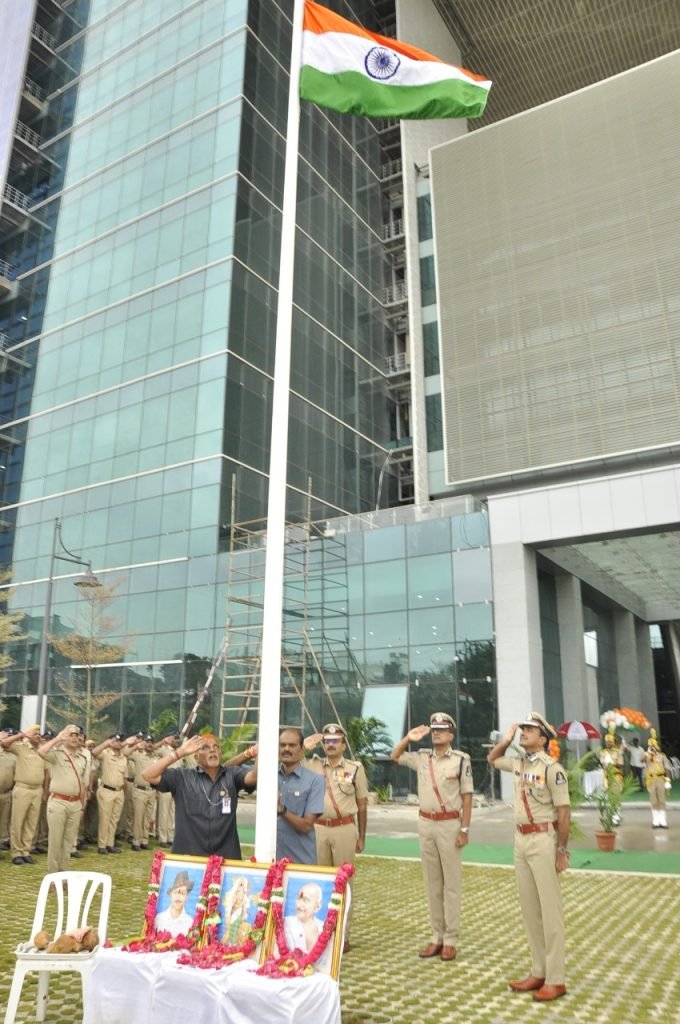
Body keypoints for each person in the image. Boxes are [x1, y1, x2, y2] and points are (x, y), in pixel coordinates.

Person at [487, 712, 571, 1003]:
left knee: (550, 912)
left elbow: (564, 812)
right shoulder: (519, 762)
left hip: (544, 839)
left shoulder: (552, 768)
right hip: (520, 839)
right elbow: (493, 759)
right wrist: (506, 739)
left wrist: (561, 851)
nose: (523, 732)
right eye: (522, 729)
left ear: (543, 738)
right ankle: (538, 970)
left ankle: (556, 979)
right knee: (530, 911)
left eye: (529, 729)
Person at [391, 712, 473, 963]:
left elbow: (467, 796)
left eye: (441, 729)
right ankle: (436, 936)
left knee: (451, 885)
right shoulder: (422, 757)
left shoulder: (460, 760)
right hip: (426, 823)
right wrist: (408, 737)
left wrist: (464, 830)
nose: (436, 732)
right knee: (432, 884)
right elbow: (395, 756)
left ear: (450, 734)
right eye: (434, 729)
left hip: (449, 824)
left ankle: (450, 940)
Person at [304, 722, 368, 951]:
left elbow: (362, 804)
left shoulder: (354, 768)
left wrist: (362, 836)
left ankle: (343, 934)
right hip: (319, 829)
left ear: (343, 743)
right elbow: (288, 762)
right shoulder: (312, 765)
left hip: (344, 830)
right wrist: (304, 746)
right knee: (321, 883)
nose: (330, 745)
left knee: (344, 884)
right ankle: (321, 933)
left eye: (335, 741)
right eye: (327, 741)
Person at [142, 732, 257, 858]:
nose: (212, 750)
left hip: (225, 859)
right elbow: (148, 775)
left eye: (216, 747)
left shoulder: (232, 775)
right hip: (189, 860)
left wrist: (259, 751)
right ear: (196, 757)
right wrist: (179, 752)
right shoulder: (182, 777)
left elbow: (254, 777)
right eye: (205, 748)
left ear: (220, 753)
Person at [37, 725, 88, 872]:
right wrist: (57, 739)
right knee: (55, 841)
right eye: (70, 735)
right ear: (64, 736)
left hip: (75, 804)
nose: (74, 738)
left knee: (68, 842)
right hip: (59, 802)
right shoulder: (57, 754)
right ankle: (52, 876)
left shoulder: (82, 758)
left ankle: (64, 874)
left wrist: (82, 804)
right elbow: (41, 751)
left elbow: (83, 784)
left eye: (76, 735)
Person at [276, 728, 324, 864]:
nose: (286, 749)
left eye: (292, 745)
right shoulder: (267, 776)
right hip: (271, 862)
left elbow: (306, 826)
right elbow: (227, 768)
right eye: (282, 745)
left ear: (302, 749)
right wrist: (249, 753)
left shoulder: (315, 781)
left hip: (300, 863)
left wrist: (281, 810)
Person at [2, 725, 46, 866]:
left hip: (37, 789)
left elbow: (47, 773)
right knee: (18, 821)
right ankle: (16, 852)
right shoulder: (21, 747)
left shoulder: (43, 750)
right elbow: (4, 743)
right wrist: (22, 734)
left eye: (39, 734)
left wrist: (45, 791)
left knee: (31, 822)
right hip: (22, 788)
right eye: (35, 733)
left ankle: (26, 851)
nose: (38, 736)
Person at [92, 733, 138, 854]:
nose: (119, 742)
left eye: (120, 741)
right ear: (111, 742)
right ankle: (102, 845)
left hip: (119, 791)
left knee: (114, 819)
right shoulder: (106, 754)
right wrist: (106, 743)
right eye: (116, 740)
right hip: (107, 790)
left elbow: (124, 777)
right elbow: (94, 752)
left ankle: (110, 844)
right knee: (105, 819)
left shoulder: (123, 757)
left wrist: (124, 792)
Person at [283, 882, 331, 972]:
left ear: (317, 907)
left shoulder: (324, 928)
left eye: (305, 900)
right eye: (298, 898)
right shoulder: (285, 924)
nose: (299, 904)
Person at [129, 734, 156, 851]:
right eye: (147, 742)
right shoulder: (138, 755)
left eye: (151, 742)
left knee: (147, 818)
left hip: (152, 790)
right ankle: (136, 841)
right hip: (140, 790)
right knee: (138, 817)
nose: (149, 744)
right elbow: (125, 753)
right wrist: (136, 746)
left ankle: (145, 840)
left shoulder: (155, 758)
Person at [153, 732, 180, 847]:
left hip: (176, 785)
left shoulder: (178, 751)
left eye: (178, 738)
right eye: (175, 738)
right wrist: (163, 741)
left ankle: (170, 837)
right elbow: (152, 750)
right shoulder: (164, 749)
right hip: (166, 784)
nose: (177, 740)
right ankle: (162, 838)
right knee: (163, 812)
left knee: (172, 813)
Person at [644, 730, 671, 829]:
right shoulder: (648, 756)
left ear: (657, 746)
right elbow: (641, 760)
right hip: (651, 780)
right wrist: (648, 752)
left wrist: (668, 780)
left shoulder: (662, 756)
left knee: (662, 800)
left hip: (660, 779)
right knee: (653, 800)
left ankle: (663, 821)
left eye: (654, 746)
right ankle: (655, 821)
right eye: (651, 746)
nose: (653, 748)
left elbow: (667, 768)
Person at [155, 869, 195, 937]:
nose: (178, 897)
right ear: (170, 894)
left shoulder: (190, 923)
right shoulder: (159, 919)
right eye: (176, 892)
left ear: (186, 897)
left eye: (182, 893)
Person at [222, 876, 253, 944]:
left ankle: (234, 944)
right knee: (230, 929)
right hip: (233, 914)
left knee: (237, 930)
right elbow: (231, 905)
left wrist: (243, 916)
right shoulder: (235, 894)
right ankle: (228, 944)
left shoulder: (245, 897)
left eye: (243, 885)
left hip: (239, 915)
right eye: (240, 884)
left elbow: (245, 908)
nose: (242, 886)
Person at [0, 728, 16, 855]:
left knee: (4, 821)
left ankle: (2, 843)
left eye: (11, 736)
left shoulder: (14, 755)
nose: (9, 738)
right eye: (7, 736)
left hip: (7, 792)